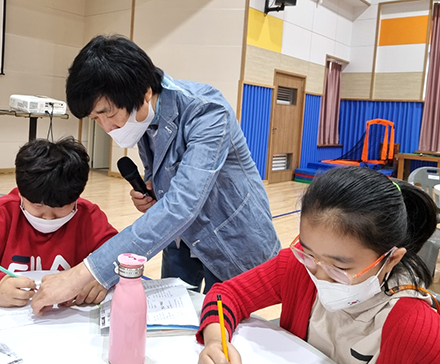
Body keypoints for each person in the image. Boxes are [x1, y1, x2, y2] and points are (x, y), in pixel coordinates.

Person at [31, 35, 280, 314]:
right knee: (173, 318)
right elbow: (169, 189)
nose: (107, 127)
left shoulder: (207, 111)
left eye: (107, 114)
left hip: (228, 239)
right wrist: (154, 194)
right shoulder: (144, 119)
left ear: (145, 92)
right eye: (95, 119)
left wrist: (83, 273)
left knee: (219, 325)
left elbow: (182, 205)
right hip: (179, 240)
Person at [197, 166, 440, 364]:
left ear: (391, 259)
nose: (319, 275)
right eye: (307, 252)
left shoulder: (415, 329)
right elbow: (227, 294)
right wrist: (216, 341)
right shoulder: (299, 268)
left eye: (340, 268)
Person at [0, 137, 117, 308]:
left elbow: (124, 256)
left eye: (61, 207)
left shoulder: (89, 217)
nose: (48, 217)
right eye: (37, 206)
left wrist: (101, 275)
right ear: (21, 194)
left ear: (76, 197)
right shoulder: (2, 212)